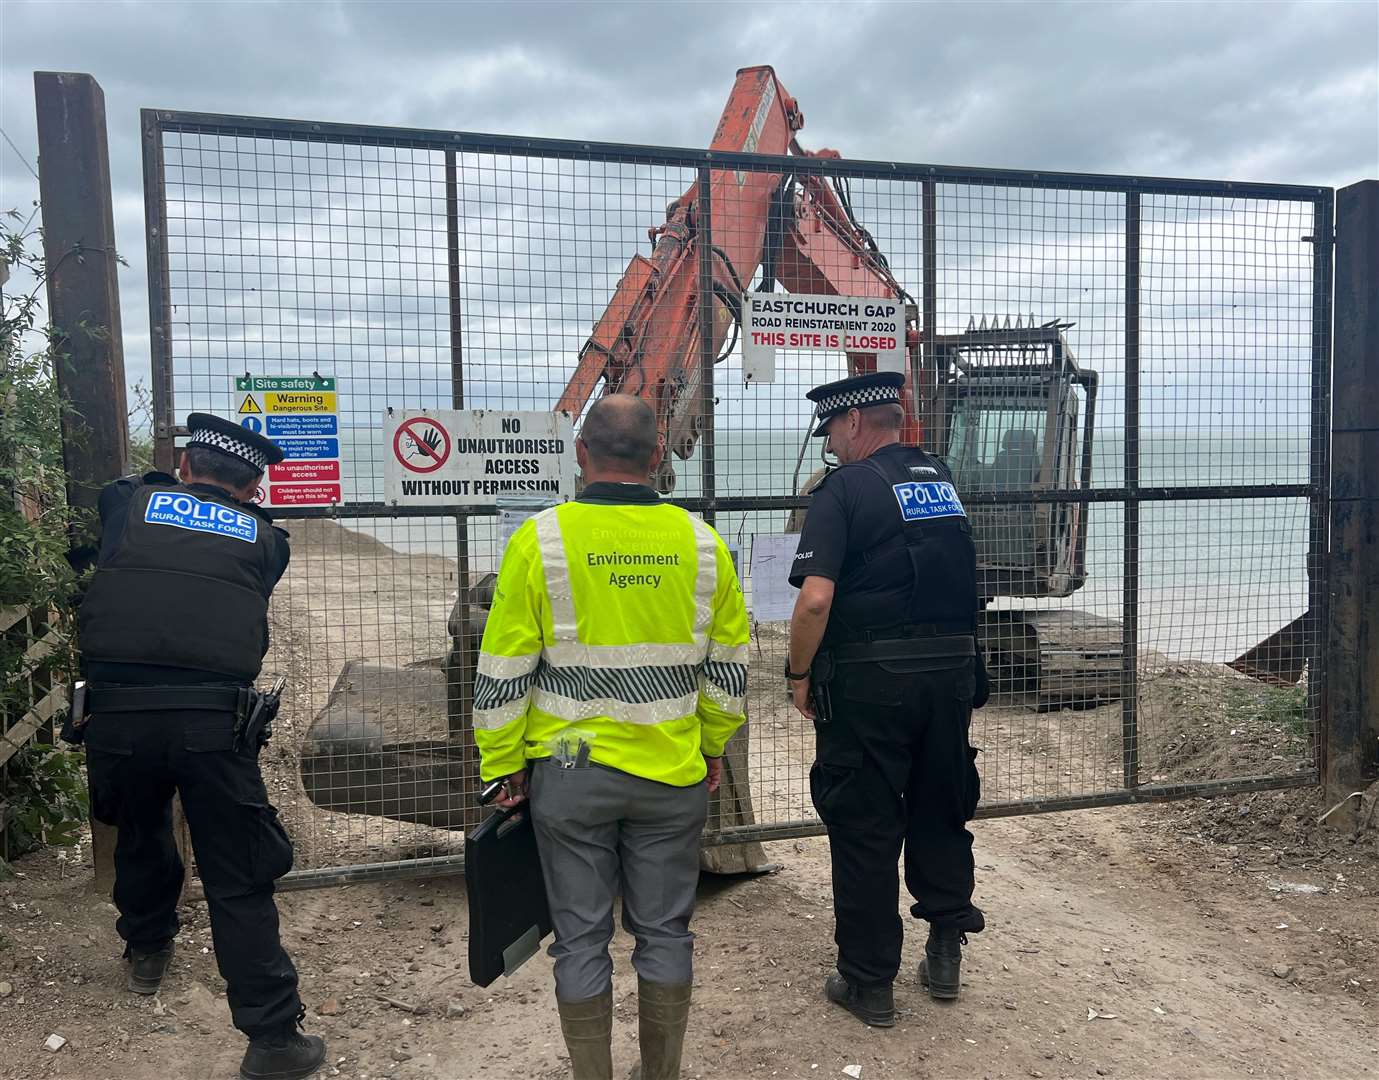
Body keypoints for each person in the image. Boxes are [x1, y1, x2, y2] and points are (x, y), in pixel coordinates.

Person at [473, 394, 749, 1080]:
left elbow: (503, 670)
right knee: (664, 932)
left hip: (570, 778)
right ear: (657, 458)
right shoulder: (704, 545)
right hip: (673, 773)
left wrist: (504, 764)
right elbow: (729, 668)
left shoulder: (539, 541)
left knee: (579, 940)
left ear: (579, 454)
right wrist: (711, 746)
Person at [76, 414, 325, 1080]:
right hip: (213, 726)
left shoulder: (127, 502)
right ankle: (273, 1039)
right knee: (238, 875)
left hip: (118, 717)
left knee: (140, 830)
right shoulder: (269, 541)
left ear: (186, 466)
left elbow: (119, 516)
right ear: (255, 483)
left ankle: (148, 951)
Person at [786, 371, 988, 1028]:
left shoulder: (843, 488)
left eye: (832, 436)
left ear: (850, 424)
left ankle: (868, 983)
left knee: (865, 824)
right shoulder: (940, 482)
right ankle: (944, 950)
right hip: (950, 677)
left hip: (872, 685)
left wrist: (797, 673)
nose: (832, 448)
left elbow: (815, 598)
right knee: (939, 807)